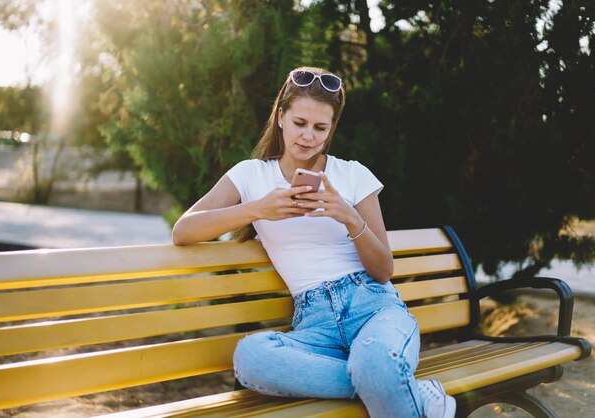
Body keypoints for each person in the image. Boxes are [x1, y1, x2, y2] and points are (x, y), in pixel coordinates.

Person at [172, 66, 456, 418]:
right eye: (299, 123)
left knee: (375, 363)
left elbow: (383, 270)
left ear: (331, 128)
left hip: (374, 309)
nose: (308, 136)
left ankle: (382, 376)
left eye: (320, 128)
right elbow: (183, 230)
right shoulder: (250, 175)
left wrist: (349, 216)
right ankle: (403, 388)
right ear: (280, 117)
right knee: (251, 358)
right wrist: (257, 209)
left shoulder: (353, 175)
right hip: (314, 324)